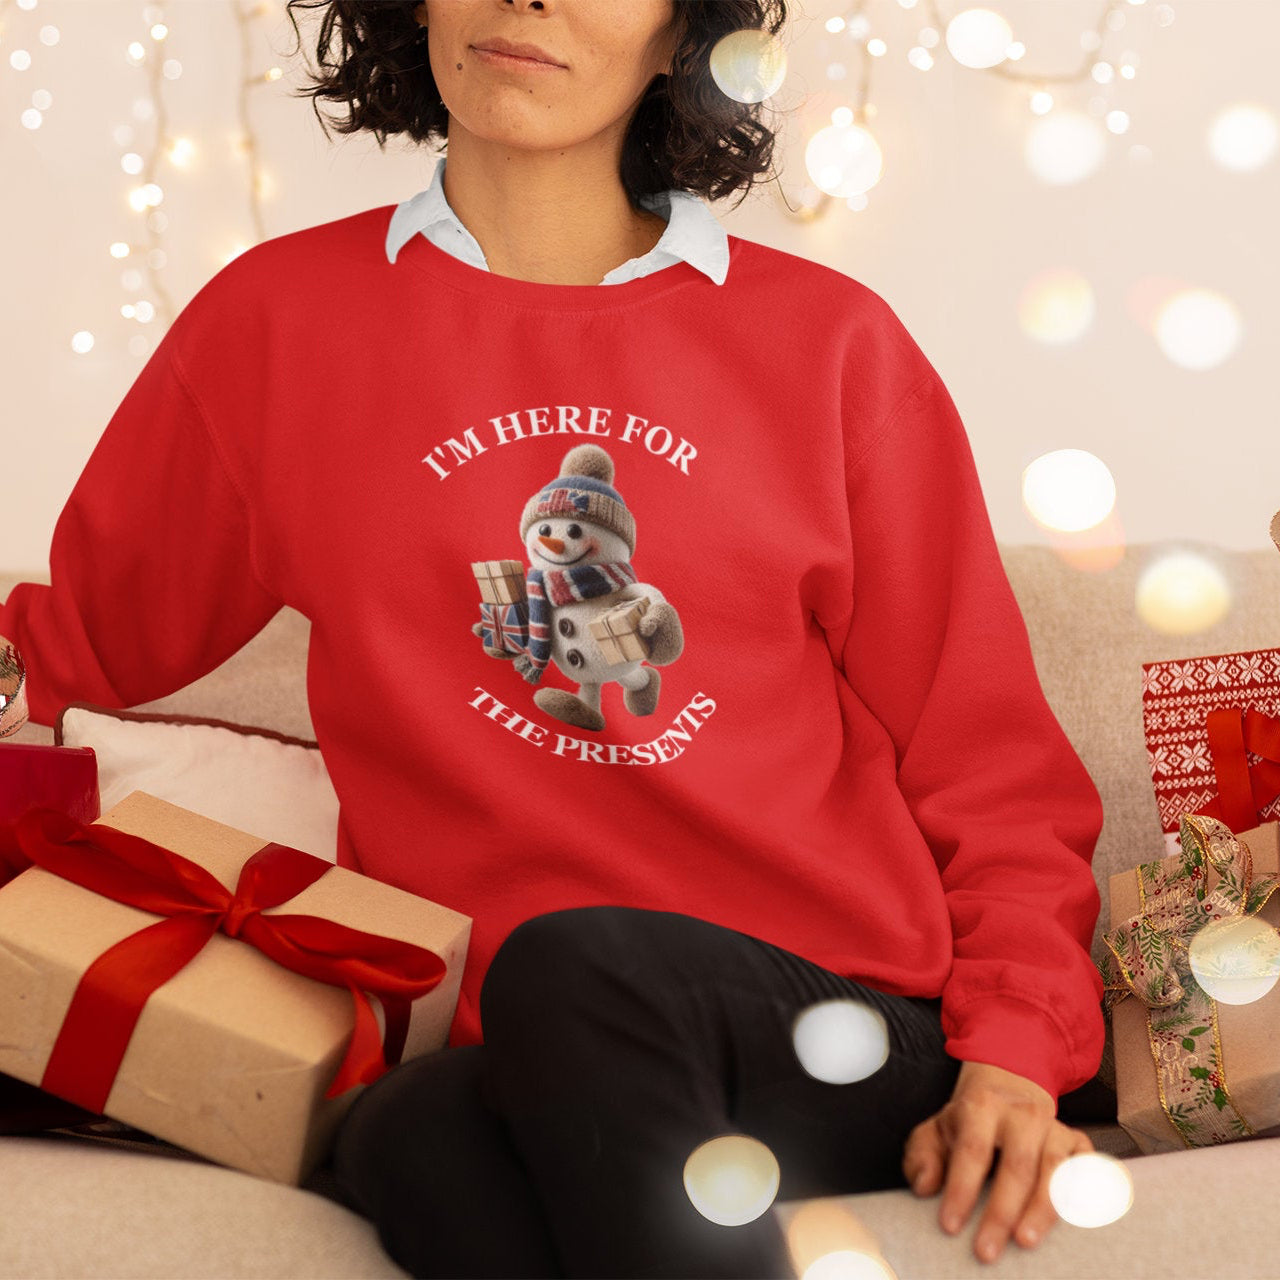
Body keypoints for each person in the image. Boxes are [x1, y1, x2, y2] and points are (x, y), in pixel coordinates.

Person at [0, 0, 1113, 1275]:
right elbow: (68, 642)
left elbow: (993, 767)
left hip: (839, 1022)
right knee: (409, 1131)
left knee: (574, 964)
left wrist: (1013, 1050)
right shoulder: (280, 324)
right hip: (523, 1052)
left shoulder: (831, 347)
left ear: (680, 34)